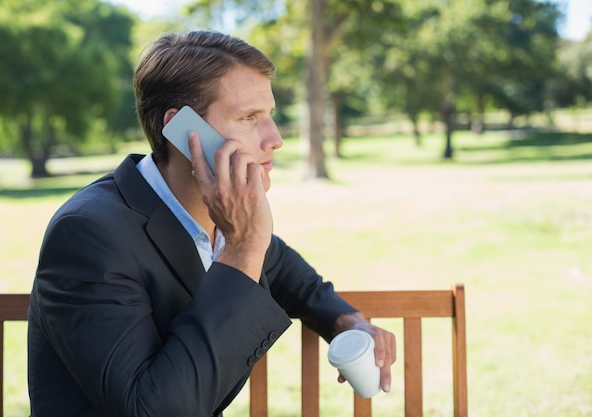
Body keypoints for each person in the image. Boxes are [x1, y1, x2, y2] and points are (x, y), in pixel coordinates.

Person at [27, 30, 396, 417]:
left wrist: (346, 320)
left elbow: (287, 272)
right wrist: (243, 247)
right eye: (249, 117)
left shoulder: (217, 216)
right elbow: (151, 410)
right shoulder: (89, 234)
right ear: (185, 133)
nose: (275, 139)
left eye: (270, 114)